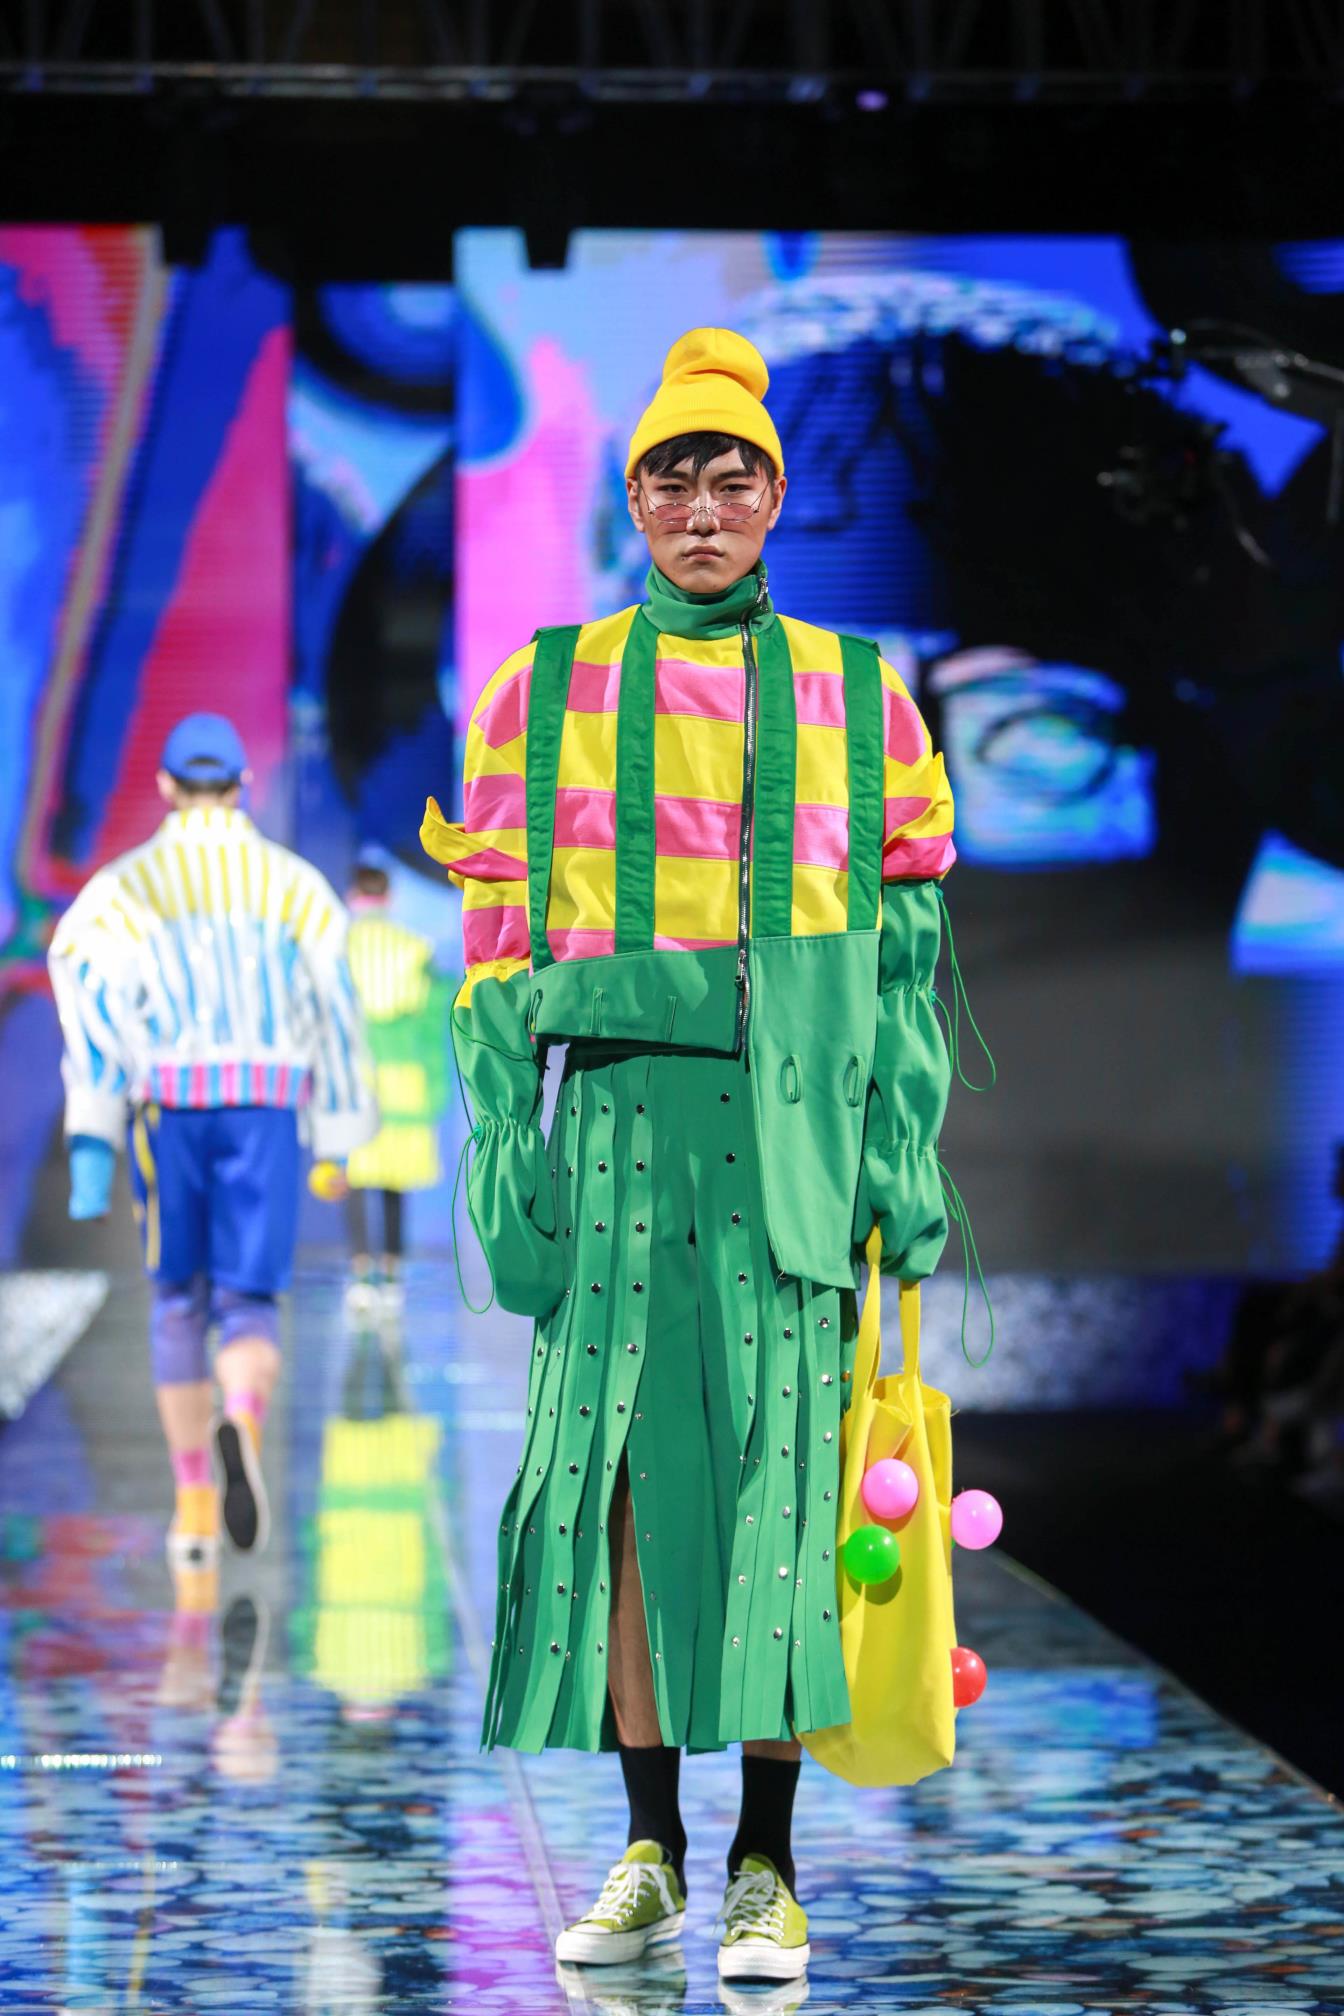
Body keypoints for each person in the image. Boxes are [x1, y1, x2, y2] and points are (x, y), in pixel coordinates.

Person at [423, 329, 956, 1983]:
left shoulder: (862, 696)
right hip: (620, 1143)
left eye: (733, 478)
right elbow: (495, 949)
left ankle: (764, 1867)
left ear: (775, 498)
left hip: (791, 1147)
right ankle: (650, 1849)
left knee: (786, 1497)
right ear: (634, 497)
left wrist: (899, 1159)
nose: (703, 507)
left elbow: (904, 958)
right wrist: (506, 1155)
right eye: (673, 478)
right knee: (626, 1505)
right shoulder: (543, 690)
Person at [48, 713, 376, 1581]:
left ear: (164, 785)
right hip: (265, 1104)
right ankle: (242, 1417)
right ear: (242, 786)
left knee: (176, 1303)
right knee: (250, 1301)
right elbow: (334, 1006)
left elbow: (84, 983)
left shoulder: (125, 888)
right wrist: (338, 1135)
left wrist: (94, 1130)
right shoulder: (293, 886)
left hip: (171, 1106)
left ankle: (194, 1497)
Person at [310, 847, 452, 1322]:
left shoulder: (337, 950)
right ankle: (391, 1275)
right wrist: (435, 1086)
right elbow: (432, 1025)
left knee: (352, 1178)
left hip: (354, 1078)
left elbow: (324, 1022)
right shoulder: (415, 949)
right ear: (389, 896)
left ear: (353, 895)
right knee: (394, 1183)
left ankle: (360, 1273)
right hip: (404, 1080)